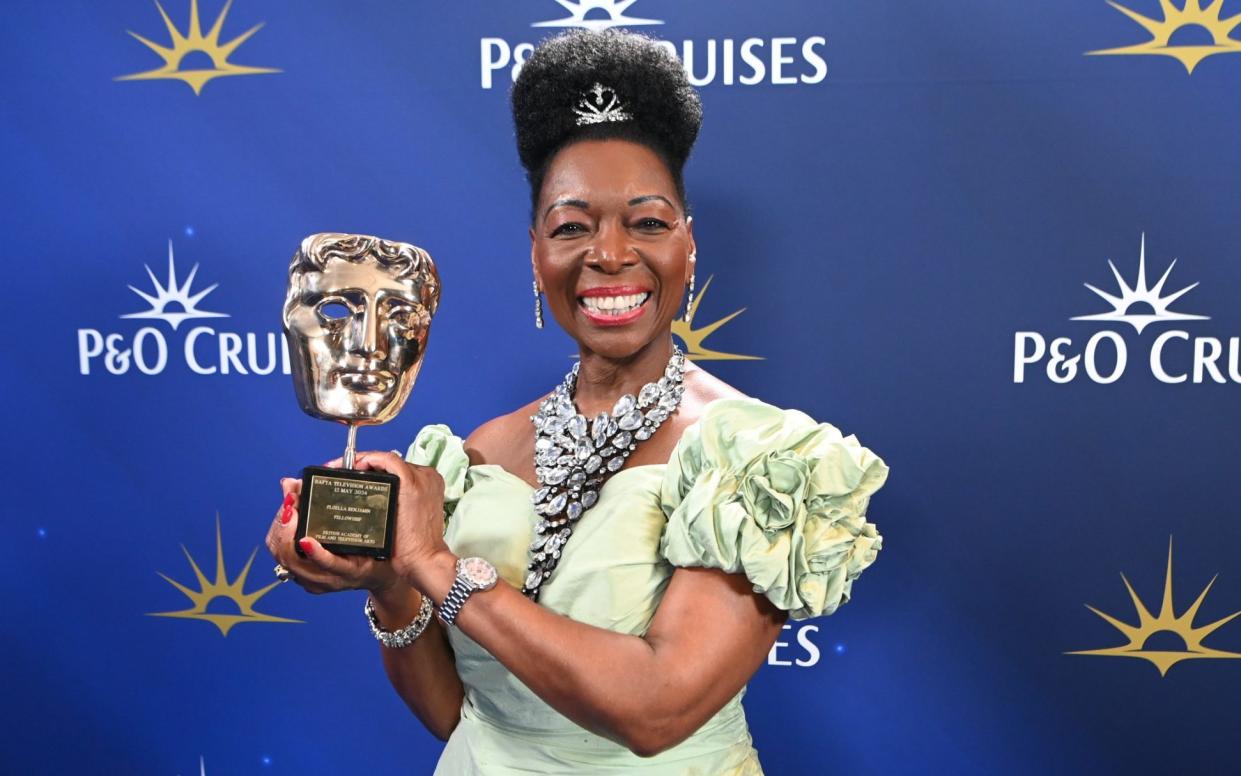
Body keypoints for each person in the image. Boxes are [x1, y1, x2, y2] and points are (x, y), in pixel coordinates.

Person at [266, 28, 889, 775]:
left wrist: (432, 562)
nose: (611, 254)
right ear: (536, 254)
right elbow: (457, 718)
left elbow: (657, 710)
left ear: (688, 246)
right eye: (572, 226)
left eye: (648, 222)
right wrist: (389, 585)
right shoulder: (481, 451)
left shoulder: (759, 460)